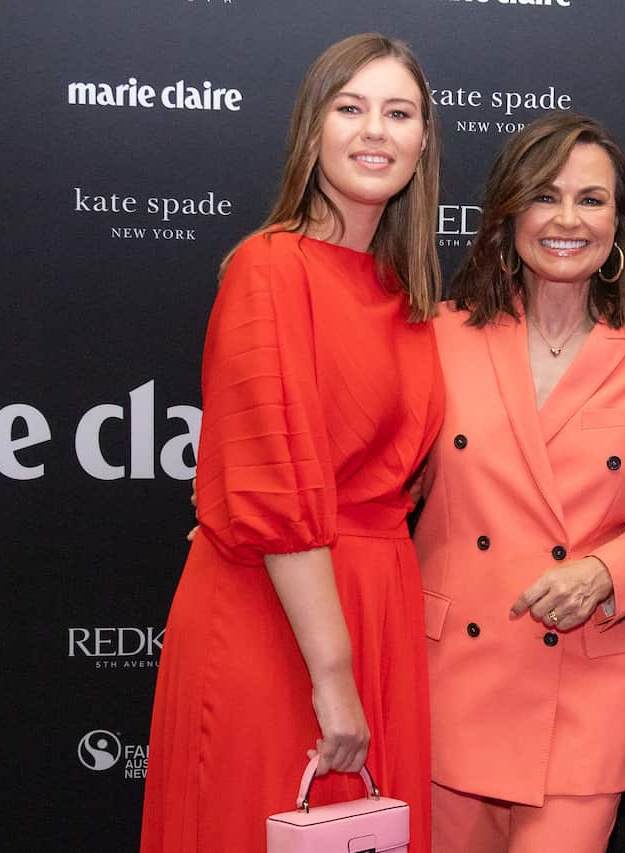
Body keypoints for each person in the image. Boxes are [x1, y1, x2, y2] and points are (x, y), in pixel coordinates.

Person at [140, 33, 443, 853]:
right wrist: (333, 676)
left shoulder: (405, 294)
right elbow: (274, 486)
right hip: (280, 620)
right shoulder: (268, 269)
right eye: (350, 107)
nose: (374, 130)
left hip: (376, 606)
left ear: (423, 142)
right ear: (313, 128)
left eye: (398, 113)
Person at [415, 112, 625, 853]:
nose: (567, 220)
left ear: (620, 224)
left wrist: (604, 572)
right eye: (545, 197)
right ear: (508, 215)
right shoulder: (438, 337)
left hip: (584, 688)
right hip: (450, 680)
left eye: (591, 200)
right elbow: (380, 480)